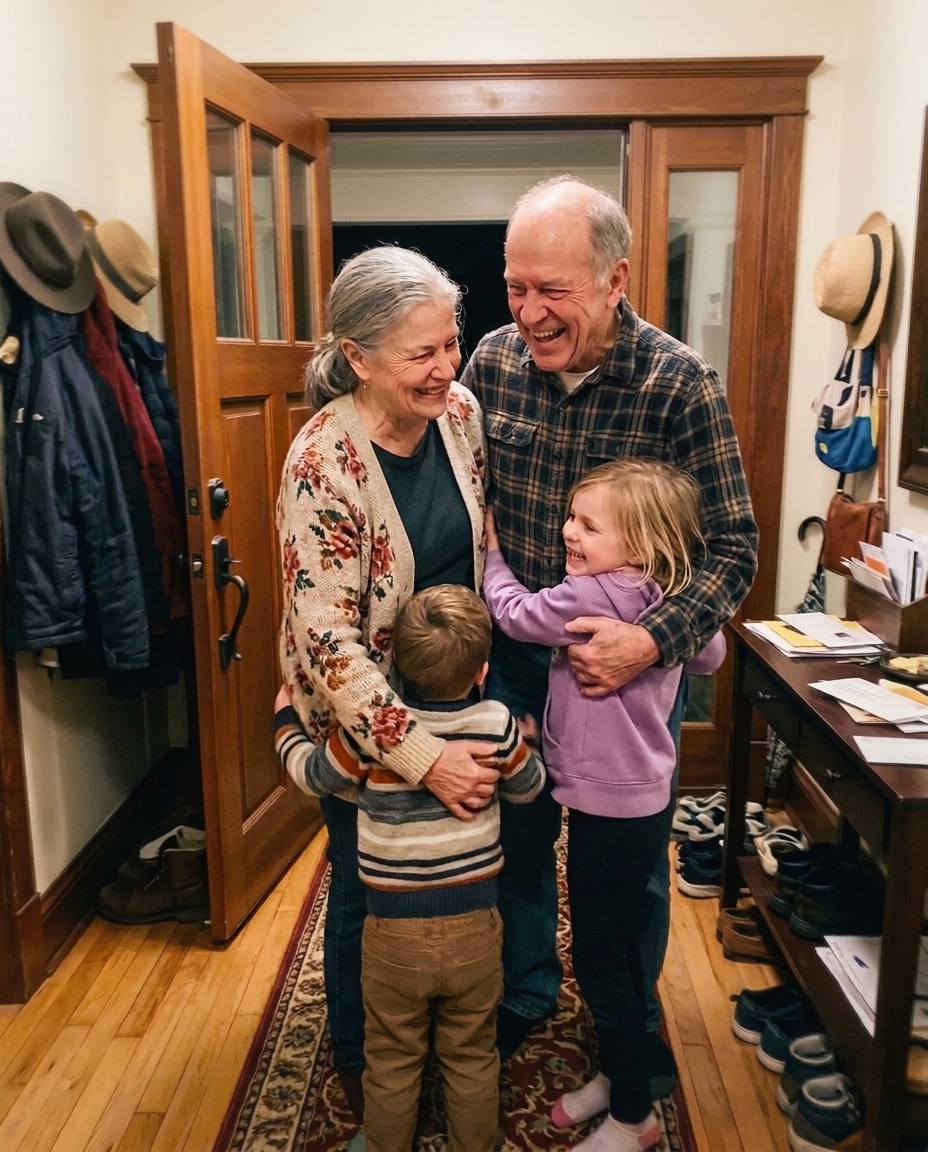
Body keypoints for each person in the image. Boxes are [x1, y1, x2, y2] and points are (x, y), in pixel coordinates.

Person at [460, 176, 758, 1073]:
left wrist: (649, 642)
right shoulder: (490, 363)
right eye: (516, 287)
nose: (530, 314)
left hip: (625, 676)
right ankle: (527, 991)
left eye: (555, 290)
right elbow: (467, 511)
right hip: (515, 660)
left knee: (622, 862)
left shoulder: (680, 385)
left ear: (616, 277)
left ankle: (625, 1019)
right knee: (516, 844)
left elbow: (733, 547)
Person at [277, 247, 498, 1119]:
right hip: (364, 716)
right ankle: (366, 1063)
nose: (447, 366)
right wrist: (420, 755)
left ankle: (459, 1035)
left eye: (452, 341)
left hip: (456, 689)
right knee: (367, 888)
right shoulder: (322, 460)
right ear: (358, 356)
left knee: (456, 882)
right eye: (422, 353)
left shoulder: (462, 412)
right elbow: (328, 638)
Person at [482, 460, 726, 1152]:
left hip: (608, 809)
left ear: (641, 543)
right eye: (572, 517)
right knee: (618, 944)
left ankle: (633, 1116)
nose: (568, 533)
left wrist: (495, 556)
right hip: (644, 804)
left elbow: (513, 613)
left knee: (599, 959)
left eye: (589, 525)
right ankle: (627, 1074)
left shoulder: (584, 593)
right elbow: (711, 653)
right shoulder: (667, 597)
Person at [274, 585, 544, 1152]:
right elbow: (530, 789)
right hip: (474, 929)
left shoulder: (373, 734)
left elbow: (312, 777)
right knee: (472, 1051)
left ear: (390, 662)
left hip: (391, 935)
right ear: (483, 670)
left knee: (392, 1055)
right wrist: (527, 745)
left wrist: (284, 725)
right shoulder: (494, 723)